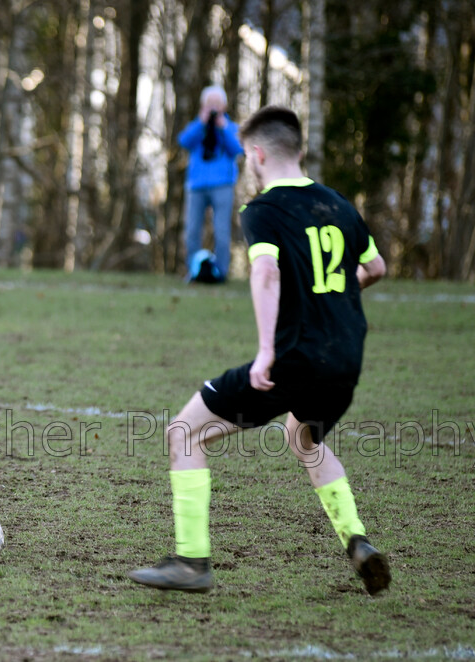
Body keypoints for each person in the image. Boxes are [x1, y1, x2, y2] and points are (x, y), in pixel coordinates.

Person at [129, 106, 390, 595]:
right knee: (304, 438)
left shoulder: (264, 210)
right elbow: (374, 268)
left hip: (294, 357)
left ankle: (191, 561)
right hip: (345, 359)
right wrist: (330, 296)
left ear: (257, 154)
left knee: (184, 433)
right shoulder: (338, 205)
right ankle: (357, 541)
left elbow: (265, 273)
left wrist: (267, 351)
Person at [178, 85, 244, 283]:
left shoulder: (231, 128)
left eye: (217, 103)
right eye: (210, 103)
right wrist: (201, 123)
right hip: (196, 185)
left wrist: (223, 128)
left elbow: (237, 150)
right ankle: (193, 270)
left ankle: (221, 272)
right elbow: (183, 141)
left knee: (221, 230)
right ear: (203, 105)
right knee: (192, 230)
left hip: (223, 184)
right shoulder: (197, 126)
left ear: (224, 105)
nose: (214, 107)